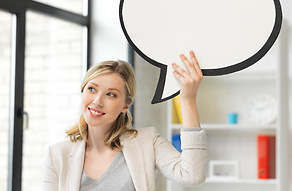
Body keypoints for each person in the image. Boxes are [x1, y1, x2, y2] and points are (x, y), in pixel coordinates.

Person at [42, 51, 207, 191]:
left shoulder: (148, 142)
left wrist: (188, 99)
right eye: (92, 89)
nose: (97, 101)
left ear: (125, 106)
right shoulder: (57, 154)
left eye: (111, 94)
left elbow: (192, 175)